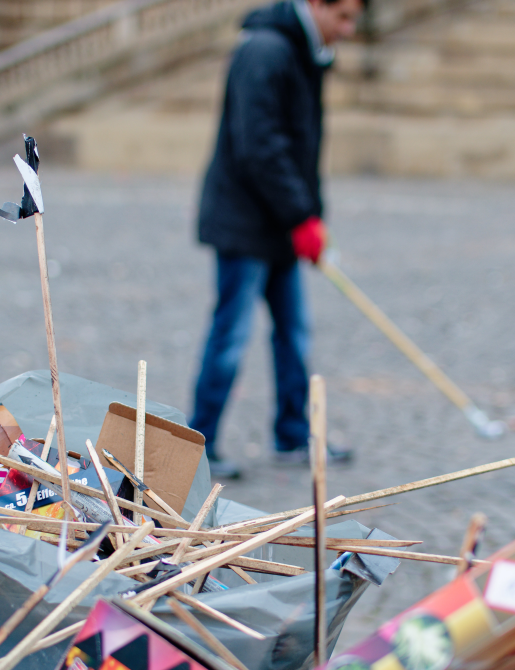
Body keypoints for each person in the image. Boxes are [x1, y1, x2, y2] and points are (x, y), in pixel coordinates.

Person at [190, 0, 364, 479]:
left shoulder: (306, 50)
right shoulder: (266, 51)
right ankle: (198, 442)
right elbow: (260, 145)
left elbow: (302, 147)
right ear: (315, 4)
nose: (349, 29)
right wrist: (300, 214)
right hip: (245, 221)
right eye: (343, 17)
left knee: (294, 332)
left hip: (279, 222)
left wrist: (310, 216)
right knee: (230, 335)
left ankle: (292, 433)